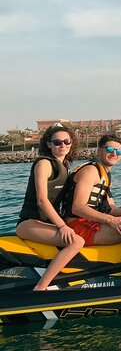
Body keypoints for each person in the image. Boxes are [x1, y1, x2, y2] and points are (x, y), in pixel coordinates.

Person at [61, 134, 121, 285]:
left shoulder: (105, 175)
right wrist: (112, 221)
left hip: (90, 221)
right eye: (110, 149)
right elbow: (78, 207)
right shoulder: (90, 171)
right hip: (77, 225)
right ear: (99, 151)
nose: (114, 154)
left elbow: (111, 210)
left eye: (119, 152)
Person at [16, 123, 82, 291]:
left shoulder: (66, 167)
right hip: (29, 223)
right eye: (57, 142)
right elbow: (42, 200)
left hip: (47, 223)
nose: (63, 145)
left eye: (67, 141)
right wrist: (62, 226)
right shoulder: (44, 164)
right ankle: (40, 288)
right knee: (76, 242)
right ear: (49, 144)